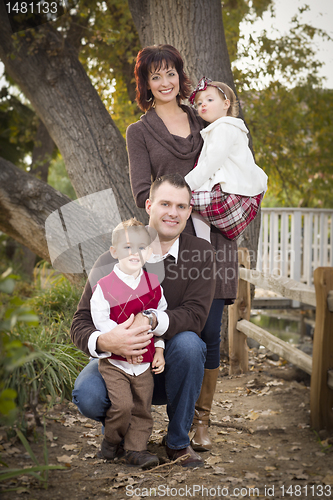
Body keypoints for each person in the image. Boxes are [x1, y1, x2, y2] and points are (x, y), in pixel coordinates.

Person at [126, 44, 238, 451]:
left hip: (217, 240)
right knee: (177, 328)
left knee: (210, 334)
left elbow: (234, 159)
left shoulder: (203, 117)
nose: (165, 82)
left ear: (179, 75)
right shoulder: (139, 132)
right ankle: (148, 414)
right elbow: (143, 192)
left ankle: (199, 423)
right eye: (155, 76)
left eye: (170, 73)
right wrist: (180, 210)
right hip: (172, 245)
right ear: (146, 84)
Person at [71, 174, 216, 467]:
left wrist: (151, 321)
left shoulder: (201, 254)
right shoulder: (113, 256)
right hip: (117, 362)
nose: (172, 212)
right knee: (87, 394)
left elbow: (196, 315)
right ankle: (120, 434)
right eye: (165, 203)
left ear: (189, 212)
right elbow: (81, 321)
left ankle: (177, 442)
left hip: (165, 363)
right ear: (149, 205)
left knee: (190, 344)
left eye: (180, 206)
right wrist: (105, 340)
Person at [90, 218, 166, 469]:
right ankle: (111, 440)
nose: (135, 253)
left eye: (141, 247)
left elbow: (160, 319)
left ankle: (137, 449)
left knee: (142, 408)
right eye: (127, 247)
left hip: (143, 363)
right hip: (115, 362)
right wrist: (123, 341)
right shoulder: (104, 287)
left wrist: (159, 349)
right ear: (114, 252)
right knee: (122, 406)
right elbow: (100, 321)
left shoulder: (153, 285)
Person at [185, 77, 268, 242]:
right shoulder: (229, 128)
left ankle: (203, 241)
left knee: (188, 199)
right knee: (195, 203)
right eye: (199, 103)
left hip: (229, 192)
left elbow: (211, 162)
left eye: (209, 100)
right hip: (240, 193)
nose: (203, 105)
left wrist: (186, 184)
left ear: (226, 104)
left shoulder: (223, 128)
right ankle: (205, 241)